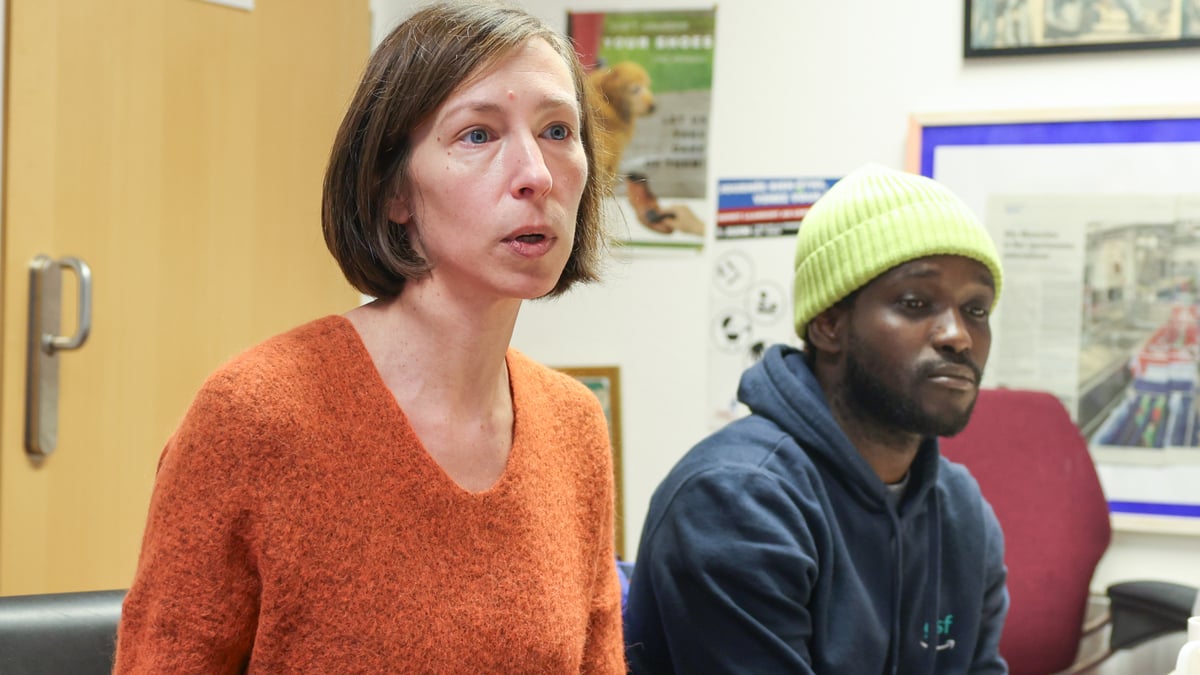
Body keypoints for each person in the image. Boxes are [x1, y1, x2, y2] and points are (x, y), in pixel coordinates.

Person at [113, 2, 625, 672]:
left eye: (558, 130)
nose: (536, 173)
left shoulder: (575, 426)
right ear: (395, 192)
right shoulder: (254, 415)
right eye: (478, 135)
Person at [624, 164, 1010, 674]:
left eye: (976, 309)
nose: (958, 336)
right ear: (829, 324)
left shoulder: (961, 511)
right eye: (917, 303)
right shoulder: (736, 501)